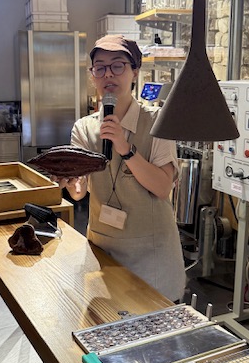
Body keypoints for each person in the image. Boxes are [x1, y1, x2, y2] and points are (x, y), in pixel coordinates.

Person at [58, 34, 186, 302]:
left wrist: (125, 147)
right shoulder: (84, 128)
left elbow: (162, 187)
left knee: (153, 325)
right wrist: (68, 181)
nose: (108, 74)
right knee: (105, 322)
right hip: (103, 251)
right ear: (92, 76)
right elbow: (80, 191)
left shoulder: (157, 122)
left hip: (153, 258)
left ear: (135, 72)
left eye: (118, 65)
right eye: (100, 68)